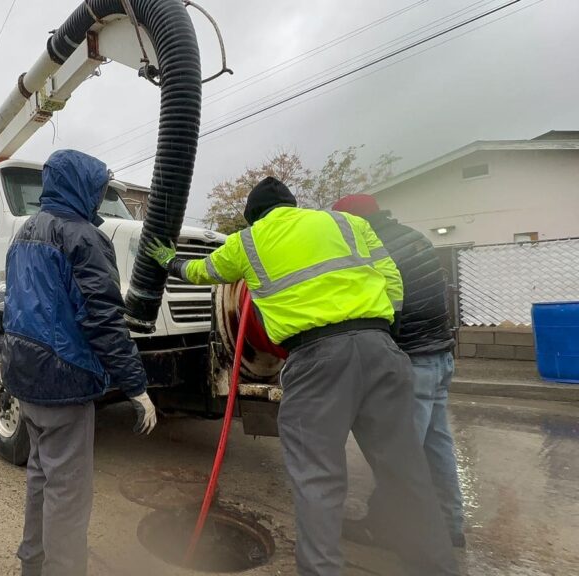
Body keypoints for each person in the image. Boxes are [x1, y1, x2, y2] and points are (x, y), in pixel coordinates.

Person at [147, 177, 458, 576]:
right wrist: (382, 333)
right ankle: (439, 566)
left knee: (318, 480)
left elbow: (201, 272)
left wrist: (167, 260)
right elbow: (391, 279)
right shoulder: (348, 224)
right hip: (383, 349)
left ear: (253, 216)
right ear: (294, 206)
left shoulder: (249, 240)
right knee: (406, 471)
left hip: (316, 359)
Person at [3, 149, 157, 576]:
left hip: (24, 373)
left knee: (40, 479)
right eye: (98, 189)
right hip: (63, 381)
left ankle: (31, 566)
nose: (99, 198)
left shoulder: (24, 233)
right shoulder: (83, 237)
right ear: (84, 187)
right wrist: (136, 387)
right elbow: (104, 319)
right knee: (68, 496)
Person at [332, 194, 465, 548]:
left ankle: (383, 527)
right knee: (438, 448)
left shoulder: (373, 249)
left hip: (412, 361)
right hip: (441, 356)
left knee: (398, 456)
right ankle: (451, 525)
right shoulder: (413, 236)